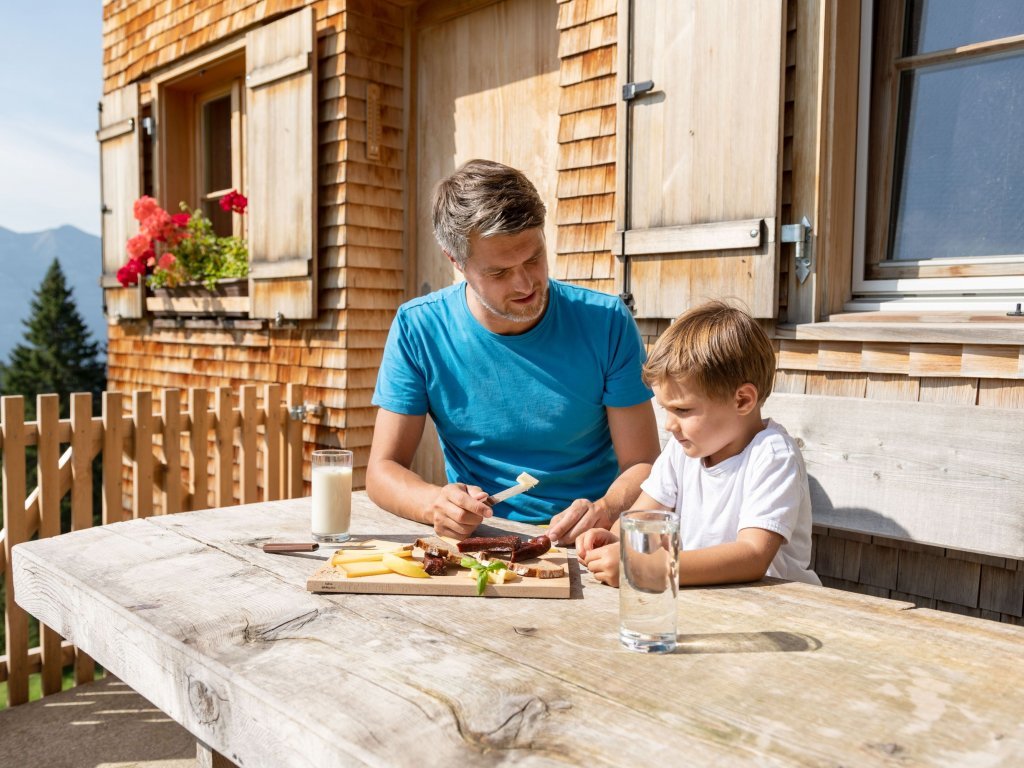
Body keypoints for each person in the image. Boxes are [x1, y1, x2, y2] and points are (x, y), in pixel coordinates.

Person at [367, 159, 661, 541]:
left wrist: (605, 508)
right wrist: (434, 503)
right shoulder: (418, 328)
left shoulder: (606, 322)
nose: (525, 283)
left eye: (534, 258)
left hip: (591, 540)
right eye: (499, 272)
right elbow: (382, 469)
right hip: (481, 541)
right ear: (454, 261)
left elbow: (643, 463)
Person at [577, 301, 821, 586]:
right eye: (666, 410)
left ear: (742, 400)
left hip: (776, 609)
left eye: (682, 410)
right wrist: (616, 538)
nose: (669, 424)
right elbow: (641, 517)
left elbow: (753, 555)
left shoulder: (772, 455)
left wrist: (649, 568)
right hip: (704, 600)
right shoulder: (682, 450)